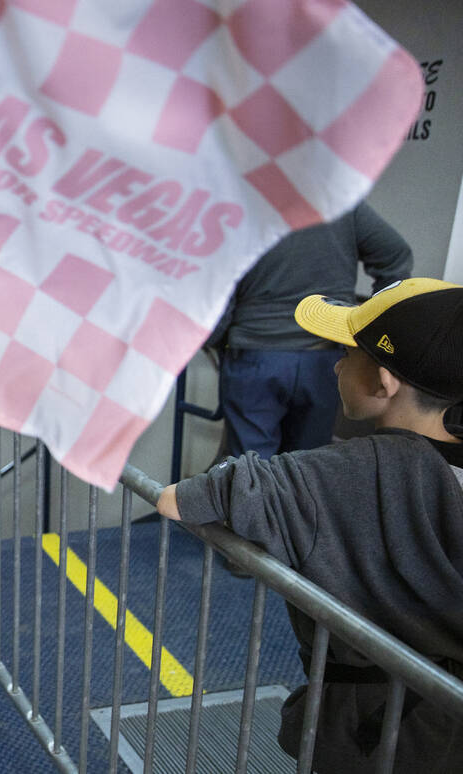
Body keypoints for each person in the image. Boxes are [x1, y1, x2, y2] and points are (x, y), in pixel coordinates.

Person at [158, 278, 463, 772]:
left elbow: (177, 501)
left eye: (347, 351)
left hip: (370, 733)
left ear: (383, 382)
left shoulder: (337, 473)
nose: (337, 363)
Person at [214, 202, 412, 458]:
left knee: (250, 471)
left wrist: (218, 338)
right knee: (307, 470)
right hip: (325, 357)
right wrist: (369, 329)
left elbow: (220, 285)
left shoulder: (248, 203)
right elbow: (395, 255)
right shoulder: (341, 202)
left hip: (257, 353)